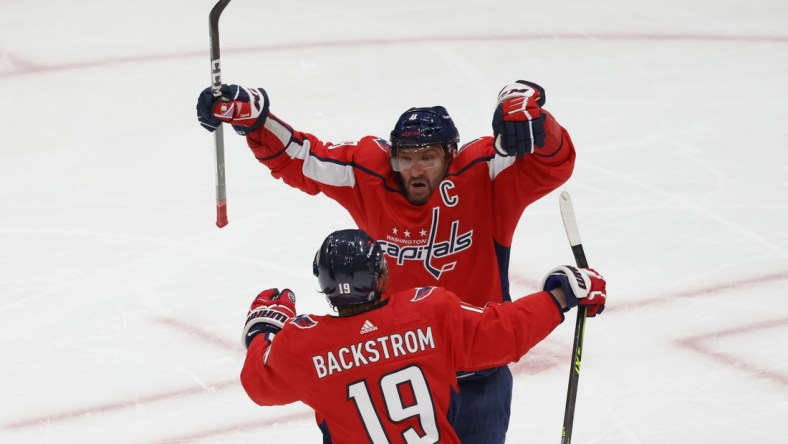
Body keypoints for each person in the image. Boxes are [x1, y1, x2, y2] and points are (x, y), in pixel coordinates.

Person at [198, 80, 576, 443]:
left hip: (478, 372)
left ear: (451, 155)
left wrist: (538, 122)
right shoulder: (368, 172)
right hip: (395, 365)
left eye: (427, 158)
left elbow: (553, 163)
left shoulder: (485, 173)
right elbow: (302, 157)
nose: (414, 170)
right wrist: (256, 120)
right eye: (405, 158)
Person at [240, 229, 607, 443]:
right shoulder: (427, 314)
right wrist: (561, 296)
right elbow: (505, 332)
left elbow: (259, 384)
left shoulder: (301, 345)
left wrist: (263, 328)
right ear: (381, 276)